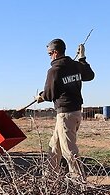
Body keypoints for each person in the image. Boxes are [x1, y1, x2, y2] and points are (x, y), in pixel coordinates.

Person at [35, 38, 95, 179]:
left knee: (69, 150)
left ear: (55, 52)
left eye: (49, 53)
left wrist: (41, 97)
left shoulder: (54, 70)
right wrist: (82, 58)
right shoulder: (75, 66)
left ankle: (79, 181)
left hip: (65, 114)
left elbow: (49, 94)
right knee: (54, 146)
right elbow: (90, 75)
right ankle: (50, 176)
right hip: (75, 112)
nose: (49, 56)